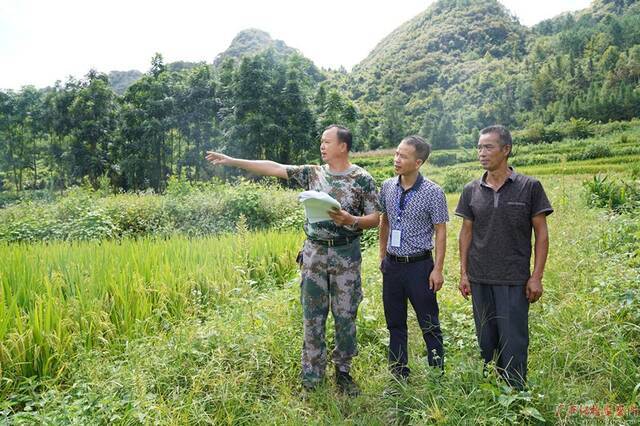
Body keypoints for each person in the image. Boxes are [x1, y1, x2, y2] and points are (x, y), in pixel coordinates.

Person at [205, 125, 380, 396]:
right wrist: (232, 161)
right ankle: (312, 376)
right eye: (321, 141)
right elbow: (274, 167)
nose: (322, 146)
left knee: (345, 316)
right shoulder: (313, 173)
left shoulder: (362, 178)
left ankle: (343, 372)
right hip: (314, 255)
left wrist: (351, 220)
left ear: (342, 146)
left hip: (346, 255)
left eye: (327, 142)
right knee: (313, 316)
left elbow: (375, 218)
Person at [455, 125, 553, 390]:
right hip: (479, 277)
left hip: (514, 278)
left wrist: (536, 276)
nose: (482, 153)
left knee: (514, 341)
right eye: (479, 147)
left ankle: (516, 393)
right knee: (487, 339)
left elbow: (541, 235)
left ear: (506, 150)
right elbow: (465, 234)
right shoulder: (471, 190)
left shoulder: (529, 187)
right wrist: (464, 274)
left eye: (488, 147)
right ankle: (493, 390)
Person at [379, 135, 448, 380]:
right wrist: (382, 256)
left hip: (420, 266)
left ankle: (437, 371)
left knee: (429, 322)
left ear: (418, 162)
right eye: (396, 153)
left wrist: (437, 269)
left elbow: (441, 231)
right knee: (395, 323)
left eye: (403, 156)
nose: (396, 159)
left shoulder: (433, 192)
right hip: (393, 266)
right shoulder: (387, 186)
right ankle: (399, 373)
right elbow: (384, 221)